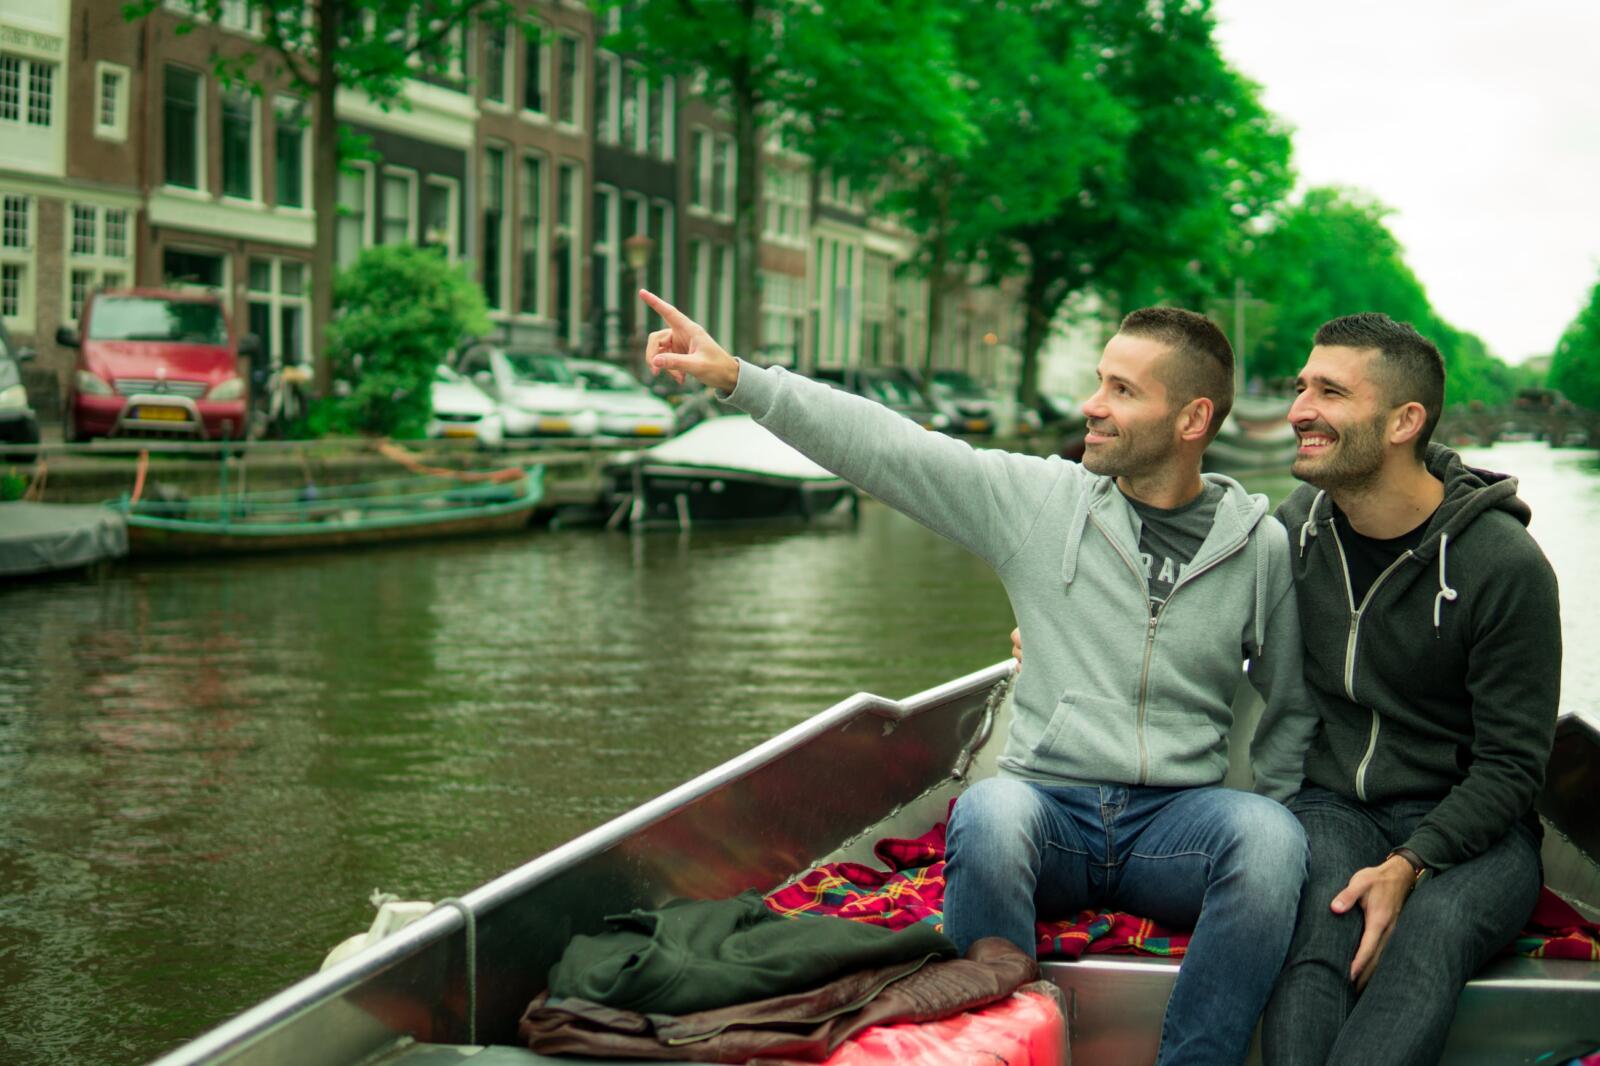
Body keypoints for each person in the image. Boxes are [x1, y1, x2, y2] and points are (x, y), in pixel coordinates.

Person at [640, 288, 1319, 1066]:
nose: (1091, 405)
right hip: (1049, 811)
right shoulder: (1040, 503)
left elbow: (1291, 709)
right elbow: (892, 449)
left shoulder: (1258, 546)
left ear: (1192, 419)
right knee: (989, 813)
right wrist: (741, 379)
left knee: (1271, 841)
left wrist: (1276, 807)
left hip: (1176, 829)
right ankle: (995, 1046)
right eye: (1099, 380)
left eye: (1121, 390)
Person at [1255, 313, 1562, 1065]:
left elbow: (1512, 768)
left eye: (1329, 392)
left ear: (1404, 421)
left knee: (1431, 934)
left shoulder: (1502, 564)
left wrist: (1410, 865)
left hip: (1475, 831)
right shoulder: (1292, 530)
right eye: (1302, 388)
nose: (1298, 411)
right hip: (1334, 804)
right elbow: (1183, 607)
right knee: (1318, 928)